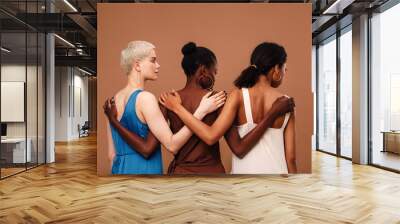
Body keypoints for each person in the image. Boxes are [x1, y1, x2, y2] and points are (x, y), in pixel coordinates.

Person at [105, 42, 295, 174]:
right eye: (215, 72)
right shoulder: (219, 99)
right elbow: (235, 144)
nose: (216, 76)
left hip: (179, 174)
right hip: (213, 174)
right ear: (204, 71)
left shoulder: (168, 101)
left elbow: (152, 146)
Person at [106, 41, 225, 175]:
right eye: (153, 60)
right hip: (145, 171)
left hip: (119, 170)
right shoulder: (146, 98)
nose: (158, 65)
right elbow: (171, 145)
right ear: (137, 65)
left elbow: (111, 155)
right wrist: (200, 111)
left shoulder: (112, 102)